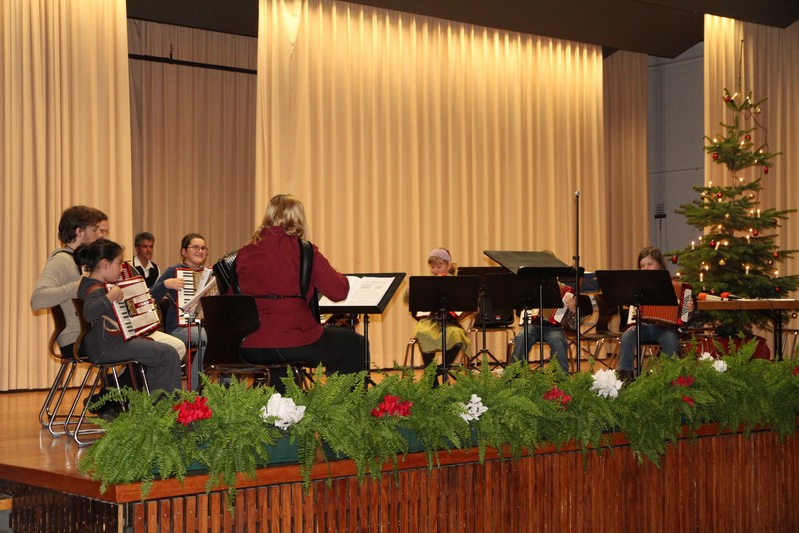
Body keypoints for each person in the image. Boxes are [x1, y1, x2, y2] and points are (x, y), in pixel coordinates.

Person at [235, 193, 367, 389]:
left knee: (280, 355)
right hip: (295, 339)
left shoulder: (244, 253)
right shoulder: (304, 250)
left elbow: (233, 298)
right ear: (298, 219)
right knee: (354, 343)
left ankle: (281, 404)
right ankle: (342, 406)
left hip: (249, 345)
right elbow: (339, 292)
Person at [73, 239, 182, 394]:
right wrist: (111, 296)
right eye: (119, 263)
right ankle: (163, 404)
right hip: (106, 347)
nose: (121, 269)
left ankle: (154, 403)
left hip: (108, 343)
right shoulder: (93, 288)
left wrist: (143, 306)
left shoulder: (90, 283)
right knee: (167, 354)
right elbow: (89, 313)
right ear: (104, 264)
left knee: (162, 352)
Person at [31, 205, 107, 358]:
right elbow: (37, 299)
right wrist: (76, 287)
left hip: (90, 336)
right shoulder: (61, 260)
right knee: (144, 348)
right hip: (76, 339)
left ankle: (120, 374)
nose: (100, 235)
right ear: (79, 232)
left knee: (141, 342)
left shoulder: (80, 260)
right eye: (95, 230)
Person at [617, 246, 695, 381]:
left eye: (650, 264)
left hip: (665, 329)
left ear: (659, 264)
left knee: (670, 338)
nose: (646, 268)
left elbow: (686, 314)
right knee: (627, 336)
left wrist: (689, 309)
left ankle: (670, 378)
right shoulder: (637, 286)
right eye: (642, 266)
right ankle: (625, 378)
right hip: (642, 326)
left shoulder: (674, 285)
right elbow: (630, 307)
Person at [151, 233, 211, 391]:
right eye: (195, 247)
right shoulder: (174, 270)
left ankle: (218, 389)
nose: (200, 251)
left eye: (203, 248)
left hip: (202, 325)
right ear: (184, 252)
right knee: (208, 339)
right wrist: (165, 284)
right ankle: (192, 391)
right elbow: (149, 296)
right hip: (178, 327)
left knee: (223, 338)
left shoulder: (208, 274)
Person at [406, 248, 471, 374]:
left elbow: (468, 303)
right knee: (423, 333)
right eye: (432, 267)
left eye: (439, 266)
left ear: (448, 265)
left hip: (449, 322)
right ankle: (431, 374)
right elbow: (411, 301)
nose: (435, 270)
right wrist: (411, 291)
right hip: (428, 321)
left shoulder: (457, 282)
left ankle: (440, 369)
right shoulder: (426, 282)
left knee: (458, 334)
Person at [509, 278, 577, 374]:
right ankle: (514, 374)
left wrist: (573, 311)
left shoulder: (566, 292)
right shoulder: (532, 288)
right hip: (534, 325)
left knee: (557, 339)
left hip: (554, 327)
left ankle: (561, 377)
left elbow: (573, 325)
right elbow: (519, 312)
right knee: (522, 336)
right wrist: (525, 308)